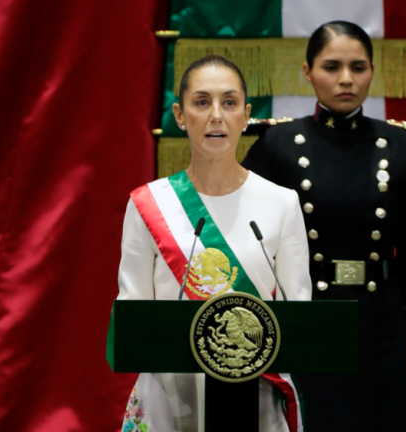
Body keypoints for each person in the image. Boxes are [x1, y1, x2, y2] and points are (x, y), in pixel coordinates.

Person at [242, 21, 406, 431]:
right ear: (307, 71)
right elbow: (249, 245)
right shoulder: (278, 146)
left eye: (358, 67)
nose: (346, 79)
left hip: (381, 326)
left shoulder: (402, 147)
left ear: (372, 71)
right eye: (331, 67)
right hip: (307, 323)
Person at [117, 55, 312, 432]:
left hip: (255, 399)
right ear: (179, 114)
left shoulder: (282, 203)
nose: (216, 116)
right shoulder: (148, 204)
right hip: (170, 399)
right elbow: (134, 316)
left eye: (229, 102)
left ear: (246, 114)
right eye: (202, 102)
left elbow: (298, 318)